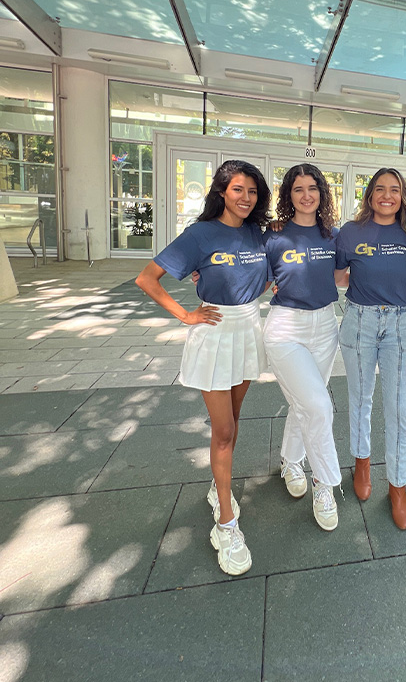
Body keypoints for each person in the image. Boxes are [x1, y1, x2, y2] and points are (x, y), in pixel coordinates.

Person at [135, 160, 271, 576]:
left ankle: (219, 485)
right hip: (213, 332)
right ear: (221, 192)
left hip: (248, 328)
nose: (245, 198)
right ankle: (226, 524)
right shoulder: (199, 234)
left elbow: (261, 276)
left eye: (252, 191)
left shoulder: (256, 233)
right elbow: (147, 278)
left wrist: (269, 287)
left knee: (234, 419)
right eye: (237, 190)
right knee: (224, 430)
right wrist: (185, 315)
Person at [335, 168, 406, 530]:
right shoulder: (349, 232)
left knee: (400, 409)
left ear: (402, 196)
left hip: (401, 325)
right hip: (359, 322)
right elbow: (339, 277)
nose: (388, 195)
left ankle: (398, 486)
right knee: (360, 399)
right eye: (380, 189)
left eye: (395, 190)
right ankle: (362, 462)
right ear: (370, 195)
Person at [262, 163, 342, 532]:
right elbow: (252, 278)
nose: (306, 195)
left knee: (304, 402)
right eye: (298, 189)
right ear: (288, 195)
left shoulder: (333, 235)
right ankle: (324, 483)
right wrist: (207, 279)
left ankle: (291, 461)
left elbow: (346, 275)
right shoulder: (274, 234)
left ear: (322, 193)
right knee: (318, 405)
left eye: (313, 188)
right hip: (286, 328)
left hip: (326, 325)